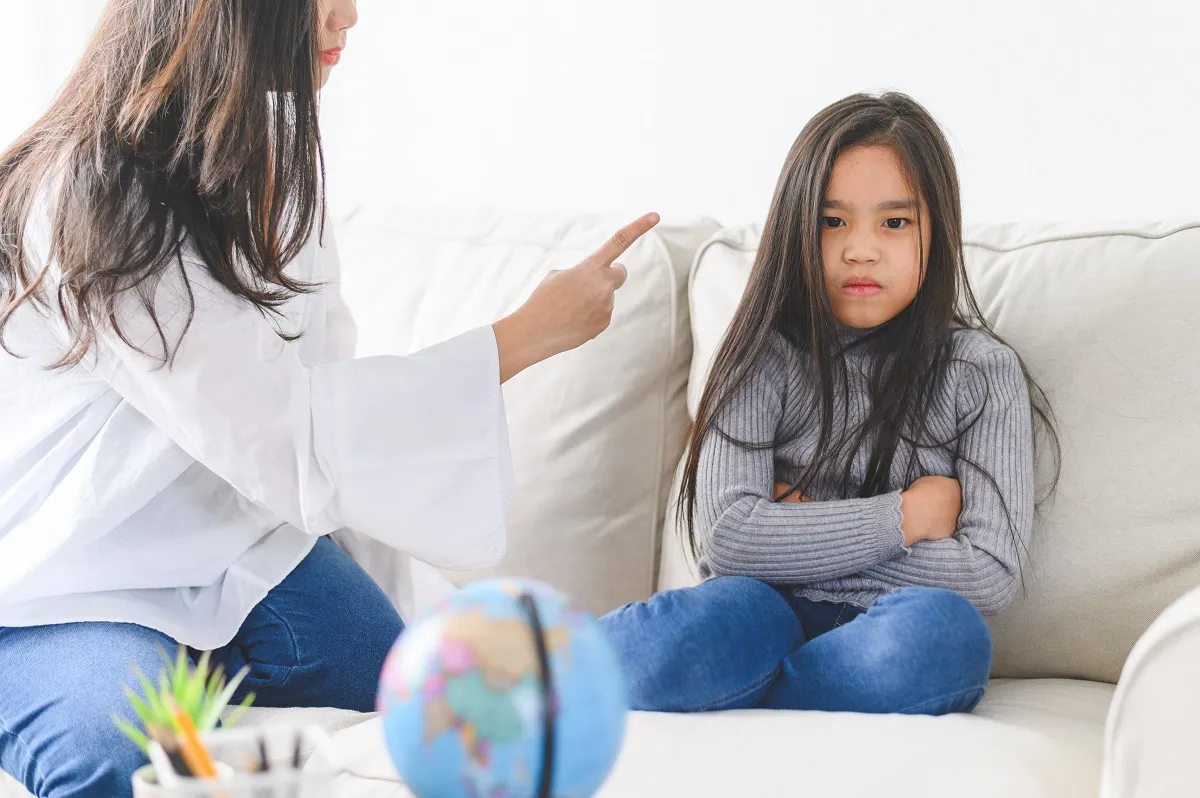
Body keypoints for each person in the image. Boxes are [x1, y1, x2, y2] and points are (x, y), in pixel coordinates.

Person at [0, 1, 657, 795]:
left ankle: (208, 662)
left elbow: (331, 402)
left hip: (244, 547)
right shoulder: (92, 188)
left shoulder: (275, 154)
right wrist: (519, 338)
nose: (349, 14)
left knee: (421, 706)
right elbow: (279, 436)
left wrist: (400, 607)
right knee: (117, 759)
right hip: (71, 579)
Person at [600, 92, 1059, 716]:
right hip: (760, 611)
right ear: (797, 229)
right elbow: (731, 539)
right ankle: (530, 662)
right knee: (682, 637)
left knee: (945, 637)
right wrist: (905, 516)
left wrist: (796, 531)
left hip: (887, 629)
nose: (860, 250)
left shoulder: (980, 372)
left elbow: (988, 572)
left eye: (894, 223)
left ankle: (768, 692)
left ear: (939, 233)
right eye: (832, 221)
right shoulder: (764, 358)